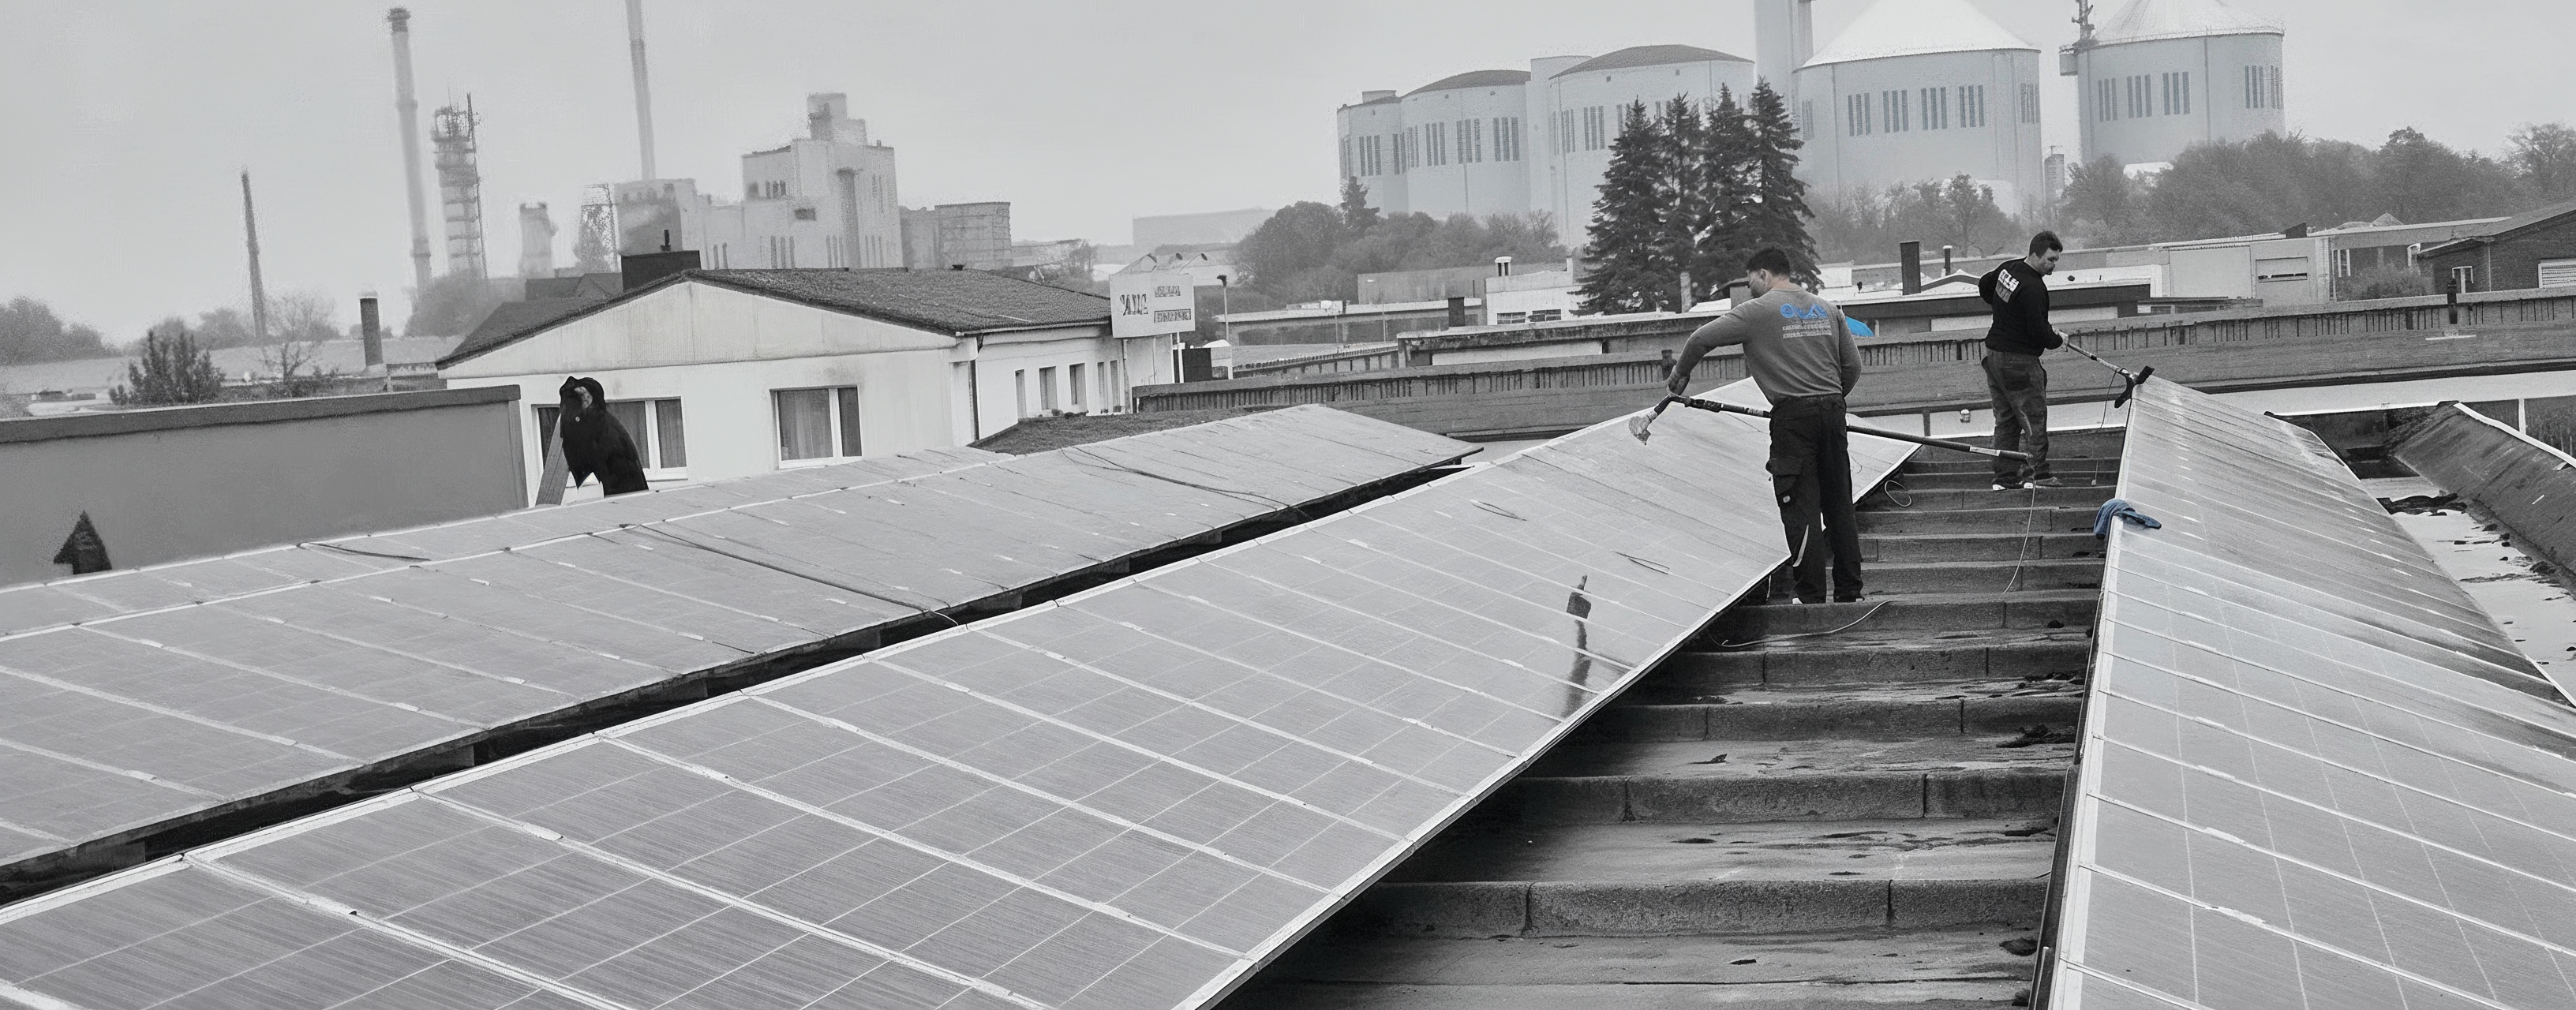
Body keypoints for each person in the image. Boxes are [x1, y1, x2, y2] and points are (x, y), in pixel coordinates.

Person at [1666, 248, 1865, 604]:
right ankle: (1851, 592)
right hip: (1834, 413)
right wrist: (1830, 399)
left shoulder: (1757, 312)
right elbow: (1853, 367)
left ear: (1763, 274)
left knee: (1801, 507)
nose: (1750, 288)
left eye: (1750, 281)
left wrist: (1680, 374)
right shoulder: (1828, 309)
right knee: (1838, 504)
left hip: (1793, 419)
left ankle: (1811, 597)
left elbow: (1699, 339)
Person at [1977, 232, 2068, 490]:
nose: (2053, 266)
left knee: (2006, 420)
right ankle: (2037, 477)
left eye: (2056, 260)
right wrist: (2057, 339)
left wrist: (2004, 311)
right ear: (2036, 254)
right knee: (2033, 417)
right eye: (2050, 260)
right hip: (2019, 362)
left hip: (1994, 357)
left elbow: (1985, 285)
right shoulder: (2033, 287)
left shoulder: (2009, 269)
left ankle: (2004, 479)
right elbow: (2039, 331)